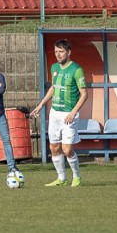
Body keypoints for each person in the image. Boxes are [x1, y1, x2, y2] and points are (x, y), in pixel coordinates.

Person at [30, 39, 88, 187]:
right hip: (55, 113)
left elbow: (84, 94)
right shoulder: (54, 67)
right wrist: (41, 104)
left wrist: (74, 112)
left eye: (61, 51)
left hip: (69, 114)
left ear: (68, 52)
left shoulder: (76, 69)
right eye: (56, 51)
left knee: (67, 149)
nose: (58, 54)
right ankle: (61, 178)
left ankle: (76, 176)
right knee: (54, 147)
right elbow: (54, 87)